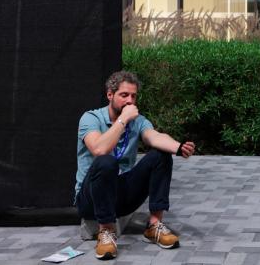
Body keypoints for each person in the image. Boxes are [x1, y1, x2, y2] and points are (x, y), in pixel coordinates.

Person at [75, 71, 196, 260]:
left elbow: (154, 136)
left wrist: (178, 148)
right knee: (106, 161)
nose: (130, 101)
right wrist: (123, 120)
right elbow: (99, 149)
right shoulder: (91, 119)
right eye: (124, 95)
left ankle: (154, 225)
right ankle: (106, 231)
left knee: (160, 155)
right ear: (110, 95)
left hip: (122, 196)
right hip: (91, 198)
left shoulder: (137, 121)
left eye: (133, 96)